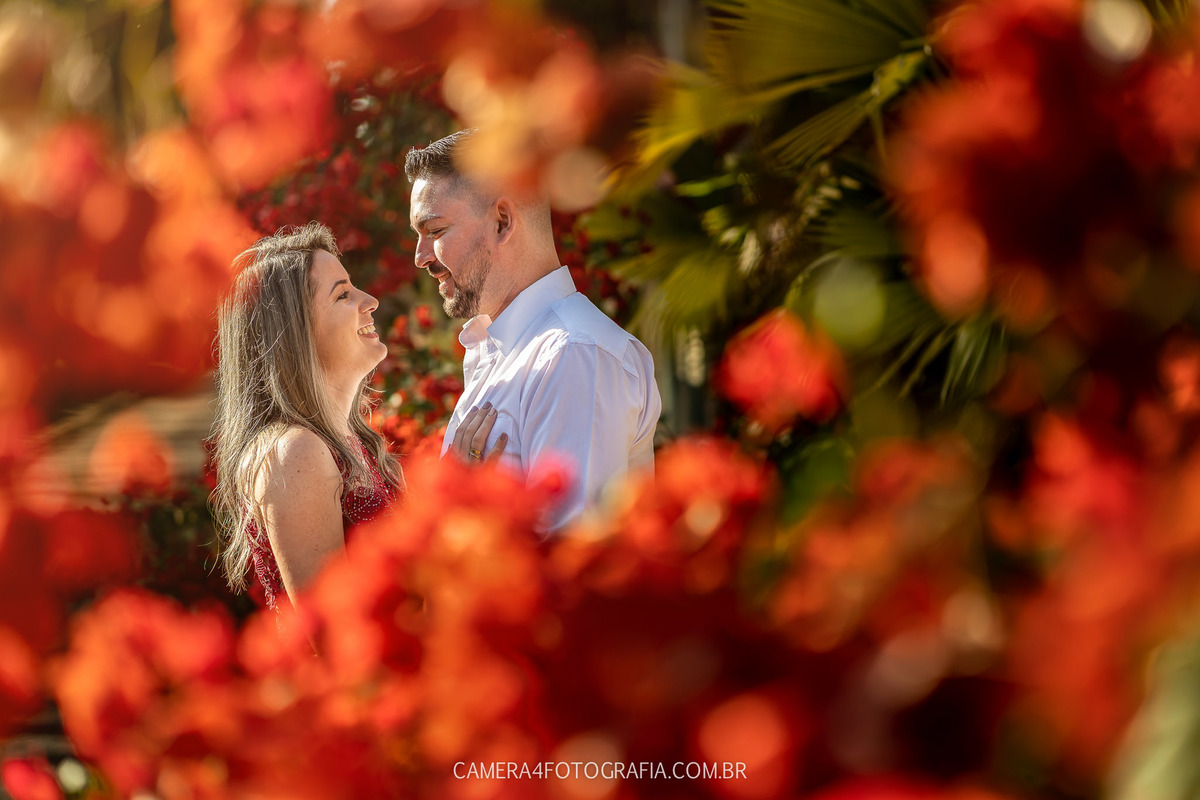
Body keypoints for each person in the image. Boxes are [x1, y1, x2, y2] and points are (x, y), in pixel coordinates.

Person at [405, 129, 662, 532]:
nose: (420, 257)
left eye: (434, 232)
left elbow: (572, 568)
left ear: (502, 221)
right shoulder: (503, 353)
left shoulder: (574, 355)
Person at [210, 222, 404, 610]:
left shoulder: (346, 443)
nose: (370, 300)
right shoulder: (296, 453)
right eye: (343, 294)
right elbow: (334, 637)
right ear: (294, 332)